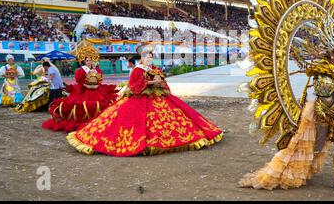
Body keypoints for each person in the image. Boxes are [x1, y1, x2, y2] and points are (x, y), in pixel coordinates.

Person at [238, 0, 334, 192]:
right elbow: (324, 101)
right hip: (321, 115)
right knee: (311, 147)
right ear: (331, 54)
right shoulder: (325, 72)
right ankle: (293, 173)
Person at [67, 44, 223, 157]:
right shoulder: (137, 70)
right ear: (142, 58)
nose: (150, 59)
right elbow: (133, 86)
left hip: (158, 96)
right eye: (148, 57)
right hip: (139, 98)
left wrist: (159, 82)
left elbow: (162, 81)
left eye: (151, 57)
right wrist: (150, 82)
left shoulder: (154, 68)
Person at [42, 41, 118, 132]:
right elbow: (79, 80)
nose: (89, 62)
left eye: (90, 60)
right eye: (87, 60)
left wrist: (96, 85)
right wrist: (86, 85)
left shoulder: (97, 70)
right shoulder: (81, 70)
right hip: (84, 90)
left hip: (96, 90)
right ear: (84, 61)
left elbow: (100, 79)